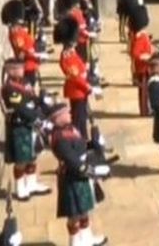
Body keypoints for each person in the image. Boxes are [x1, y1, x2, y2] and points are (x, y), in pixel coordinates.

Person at [48, 103, 110, 246]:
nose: (69, 114)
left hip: (80, 176)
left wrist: (93, 143)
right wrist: (86, 169)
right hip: (72, 176)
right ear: (58, 118)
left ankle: (87, 239)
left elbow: (81, 145)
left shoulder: (70, 129)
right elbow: (70, 158)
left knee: (84, 210)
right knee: (74, 215)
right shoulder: (59, 137)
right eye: (66, 113)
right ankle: (75, 242)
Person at [1, 58, 51, 201]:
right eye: (18, 68)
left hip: (30, 124)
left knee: (33, 154)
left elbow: (32, 98)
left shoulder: (24, 82)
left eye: (22, 67)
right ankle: (20, 188)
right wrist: (37, 118)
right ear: (10, 71)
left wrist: (42, 102)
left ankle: (31, 183)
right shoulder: (9, 88)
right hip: (19, 124)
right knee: (21, 158)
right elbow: (21, 108)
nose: (22, 70)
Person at [55, 17, 98, 141]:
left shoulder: (71, 52)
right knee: (78, 118)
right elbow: (75, 77)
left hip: (80, 89)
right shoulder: (66, 56)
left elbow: (80, 69)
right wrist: (88, 87)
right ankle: (79, 140)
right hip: (77, 90)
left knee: (82, 116)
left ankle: (83, 138)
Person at [128, 5, 153, 116]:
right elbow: (134, 53)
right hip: (143, 68)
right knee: (144, 92)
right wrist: (147, 57)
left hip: (144, 67)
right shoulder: (139, 38)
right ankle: (144, 111)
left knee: (145, 90)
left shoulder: (140, 35)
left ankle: (146, 109)